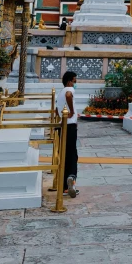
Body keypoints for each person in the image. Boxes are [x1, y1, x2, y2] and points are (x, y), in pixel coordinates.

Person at [56, 70, 79, 198]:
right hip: (70, 125)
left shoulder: (60, 93)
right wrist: (71, 111)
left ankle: (65, 186)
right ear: (69, 80)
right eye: (75, 80)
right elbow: (69, 95)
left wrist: (60, 117)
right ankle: (71, 177)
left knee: (64, 154)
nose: (75, 83)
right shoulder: (68, 90)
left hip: (61, 125)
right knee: (72, 154)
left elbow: (55, 110)